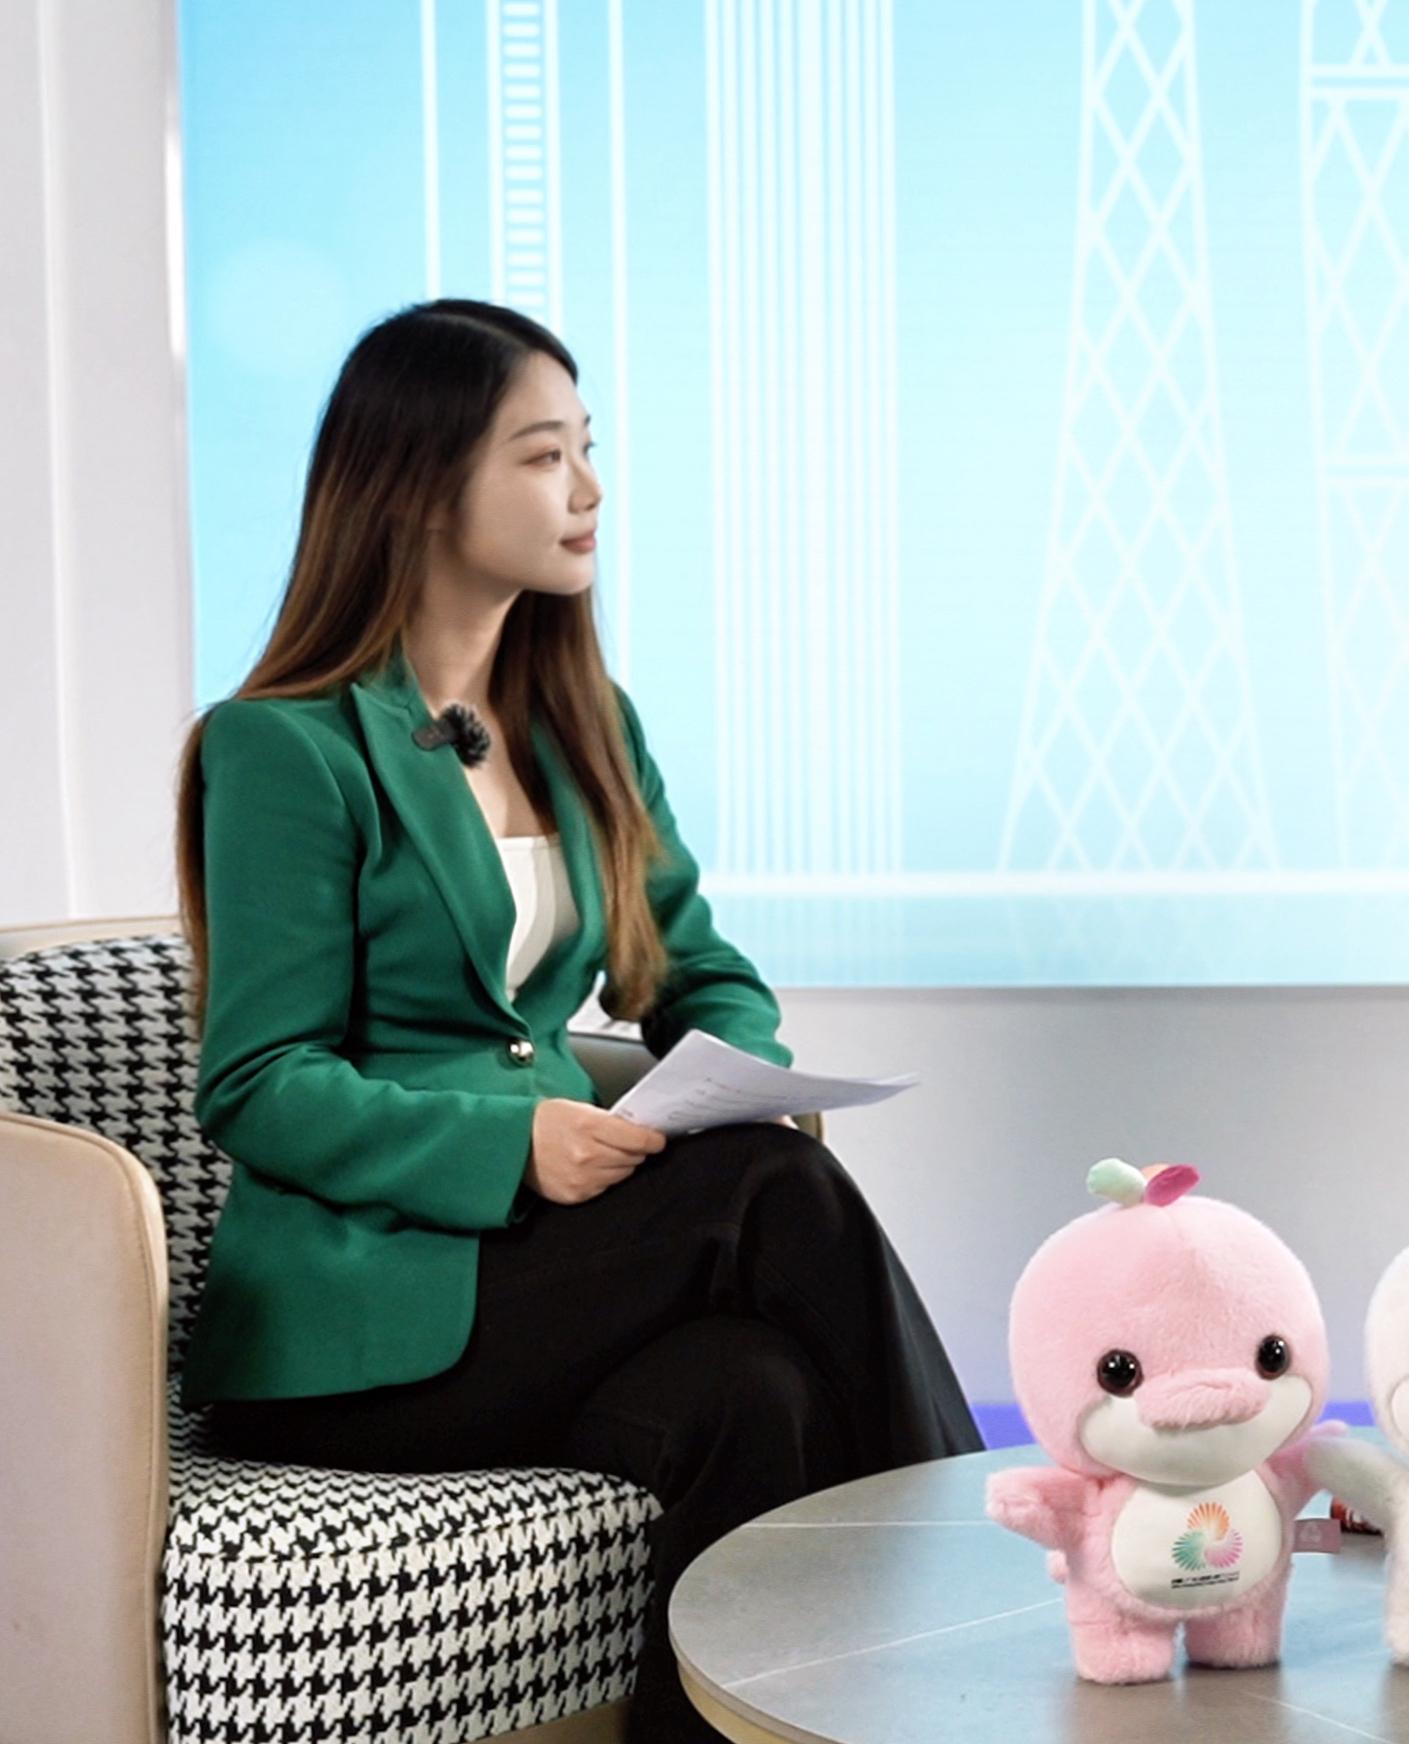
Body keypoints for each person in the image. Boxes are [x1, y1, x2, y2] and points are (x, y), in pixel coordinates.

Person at [177, 298, 982, 1743]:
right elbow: (259, 1082)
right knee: (778, 1188)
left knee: (755, 1395)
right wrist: (514, 1147)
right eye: (546, 455)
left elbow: (697, 969)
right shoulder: (285, 747)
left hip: (545, 1285)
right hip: (359, 1332)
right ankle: (992, 1612)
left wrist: (726, 1072)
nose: (591, 489)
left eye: (587, 448)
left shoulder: (581, 718)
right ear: (421, 484)